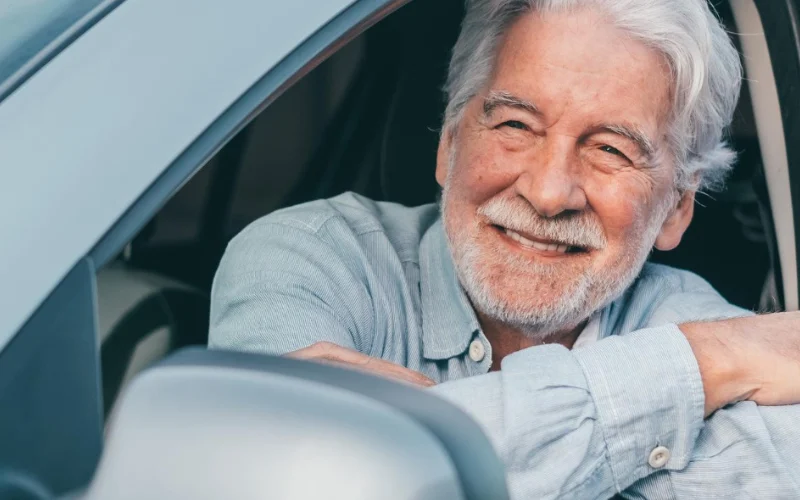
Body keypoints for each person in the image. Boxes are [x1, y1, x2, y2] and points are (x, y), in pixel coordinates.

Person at [209, 0, 800, 498]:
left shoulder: (699, 318)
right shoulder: (309, 260)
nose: (548, 192)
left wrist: (402, 445)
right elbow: (281, 478)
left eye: (610, 150)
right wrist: (693, 368)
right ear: (448, 144)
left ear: (676, 207)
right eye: (516, 125)